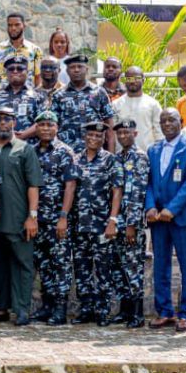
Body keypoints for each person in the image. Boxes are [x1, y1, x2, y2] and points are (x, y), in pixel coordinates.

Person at [146, 108, 186, 333]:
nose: (167, 123)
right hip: (158, 218)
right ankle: (165, 311)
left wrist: (172, 209)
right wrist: (150, 206)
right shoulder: (154, 149)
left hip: (182, 217)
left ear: (181, 121)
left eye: (172, 119)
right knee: (161, 265)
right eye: (163, 120)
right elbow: (149, 182)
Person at [0, 106, 42, 326]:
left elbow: (33, 185)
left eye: (7, 119)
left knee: (23, 264)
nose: (2, 123)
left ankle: (22, 310)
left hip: (18, 218)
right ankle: (2, 309)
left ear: (14, 123)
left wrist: (32, 216)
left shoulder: (24, 149)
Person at [70, 122, 122, 326]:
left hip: (102, 224)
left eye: (98, 136)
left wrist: (113, 220)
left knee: (102, 269)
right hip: (80, 224)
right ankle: (86, 309)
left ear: (103, 139)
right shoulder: (76, 159)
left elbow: (117, 191)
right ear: (85, 136)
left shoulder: (110, 160)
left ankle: (102, 310)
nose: (94, 139)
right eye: (90, 135)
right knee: (81, 269)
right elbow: (71, 189)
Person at [31, 110, 77, 326]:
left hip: (57, 218)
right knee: (43, 263)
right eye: (42, 125)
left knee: (60, 264)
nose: (46, 128)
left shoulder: (65, 152)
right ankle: (47, 305)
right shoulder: (31, 152)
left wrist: (63, 216)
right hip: (37, 219)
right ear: (36, 128)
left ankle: (60, 308)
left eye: (50, 124)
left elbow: (70, 186)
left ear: (57, 127)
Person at [113, 119, 150, 328]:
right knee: (120, 268)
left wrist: (132, 224)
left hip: (131, 223)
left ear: (135, 134)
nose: (123, 136)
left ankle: (137, 314)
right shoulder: (118, 157)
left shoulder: (140, 157)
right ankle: (125, 310)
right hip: (117, 221)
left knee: (133, 268)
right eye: (120, 134)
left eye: (126, 133)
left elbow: (138, 192)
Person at [53, 53, 115, 153]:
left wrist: (111, 157)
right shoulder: (58, 95)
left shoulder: (99, 92)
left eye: (80, 66)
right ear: (67, 71)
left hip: (94, 154)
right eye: (72, 67)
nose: (76, 70)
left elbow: (110, 128)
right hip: (66, 154)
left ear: (86, 69)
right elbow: (53, 126)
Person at [0, 56, 43, 142]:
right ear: (6, 73)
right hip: (0, 147)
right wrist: (3, 135)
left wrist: (22, 136)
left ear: (27, 72)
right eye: (11, 69)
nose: (15, 71)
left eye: (20, 68)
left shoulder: (37, 96)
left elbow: (42, 121)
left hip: (28, 148)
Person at [112, 66, 163, 151]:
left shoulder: (153, 104)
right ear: (125, 81)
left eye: (137, 78)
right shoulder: (116, 104)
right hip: (121, 155)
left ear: (143, 80)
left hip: (147, 154)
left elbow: (159, 132)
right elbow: (112, 133)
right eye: (129, 78)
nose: (133, 81)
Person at [0, 13, 42, 87]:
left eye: (17, 25)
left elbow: (38, 77)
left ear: (24, 26)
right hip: (3, 95)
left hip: (28, 95)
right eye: (10, 25)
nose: (13, 28)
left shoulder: (35, 50)